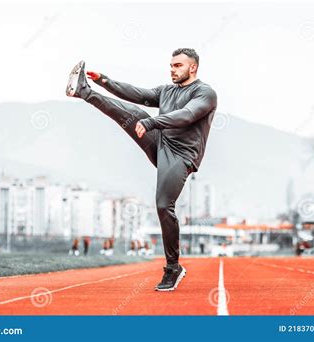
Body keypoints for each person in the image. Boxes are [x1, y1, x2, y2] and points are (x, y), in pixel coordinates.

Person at [66, 48, 217, 291]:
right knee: (132, 113)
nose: (172, 69)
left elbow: (187, 115)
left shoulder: (205, 93)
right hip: (160, 142)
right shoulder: (166, 90)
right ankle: (84, 91)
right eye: (171, 65)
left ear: (193, 68)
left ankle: (173, 267)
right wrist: (105, 81)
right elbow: (137, 94)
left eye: (178, 65)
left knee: (162, 205)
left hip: (181, 156)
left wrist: (151, 122)